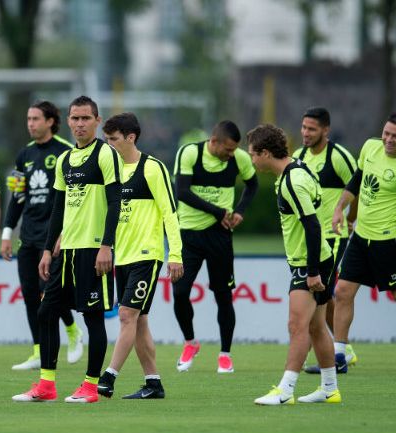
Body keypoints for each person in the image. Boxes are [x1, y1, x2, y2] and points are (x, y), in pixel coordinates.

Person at [12, 95, 120, 404]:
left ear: (97, 121)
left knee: (93, 317)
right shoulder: (65, 159)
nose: (80, 124)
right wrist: (48, 251)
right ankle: (46, 384)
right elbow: (57, 209)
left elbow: (115, 202)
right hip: (66, 251)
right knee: (46, 311)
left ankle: (90, 386)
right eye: (75, 118)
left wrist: (106, 245)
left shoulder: (105, 155)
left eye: (86, 118)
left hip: (93, 250)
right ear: (68, 121)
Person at [248, 124, 341, 405]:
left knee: (296, 325)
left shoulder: (293, 181)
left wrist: (312, 272)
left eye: (252, 154)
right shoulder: (298, 169)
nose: (251, 159)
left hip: (309, 264)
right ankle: (329, 389)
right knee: (315, 327)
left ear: (265, 153)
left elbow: (312, 227)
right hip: (317, 259)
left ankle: (285, 391)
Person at [97, 113, 184, 400]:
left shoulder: (152, 168)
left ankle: (108, 377)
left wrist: (176, 255)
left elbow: (170, 213)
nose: (108, 145)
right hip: (121, 257)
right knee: (140, 320)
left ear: (130, 137)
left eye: (113, 139)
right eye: (106, 139)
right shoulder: (112, 170)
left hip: (147, 254)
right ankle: (153, 383)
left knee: (126, 315)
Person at [2, 101, 84, 371]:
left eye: (36, 118)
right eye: (28, 118)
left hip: (54, 236)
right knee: (28, 294)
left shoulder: (65, 151)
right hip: (28, 235)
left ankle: (72, 331)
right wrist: (6, 233)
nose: (30, 123)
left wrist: (65, 232)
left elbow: (73, 198)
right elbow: (17, 197)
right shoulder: (23, 155)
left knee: (48, 292)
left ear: (50, 121)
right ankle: (37, 349)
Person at [172, 120, 258, 373]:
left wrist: (239, 211)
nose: (232, 155)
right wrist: (220, 211)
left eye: (234, 151)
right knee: (179, 293)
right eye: (228, 150)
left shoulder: (239, 158)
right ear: (214, 141)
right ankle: (190, 343)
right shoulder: (190, 153)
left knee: (223, 296)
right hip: (188, 236)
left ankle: (225, 354)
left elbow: (252, 185)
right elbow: (182, 192)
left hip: (220, 236)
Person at [291, 107, 358, 374]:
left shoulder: (340, 157)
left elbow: (357, 188)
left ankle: (334, 356)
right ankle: (341, 350)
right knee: (324, 295)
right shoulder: (298, 157)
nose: (305, 133)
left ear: (325, 131)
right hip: (311, 238)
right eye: (304, 128)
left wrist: (351, 218)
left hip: (334, 236)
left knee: (323, 292)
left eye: (312, 129)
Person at [330, 113, 396, 372]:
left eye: (395, 137)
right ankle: (339, 357)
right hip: (360, 237)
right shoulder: (370, 147)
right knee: (343, 292)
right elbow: (357, 181)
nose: (388, 140)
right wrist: (340, 209)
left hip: (388, 241)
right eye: (387, 133)